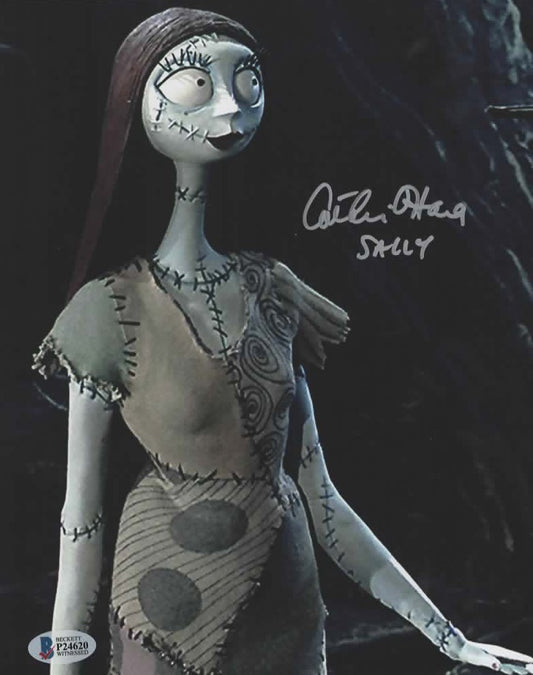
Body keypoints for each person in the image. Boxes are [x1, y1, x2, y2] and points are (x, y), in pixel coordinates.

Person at [33, 7, 533, 675]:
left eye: (247, 80)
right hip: (166, 617)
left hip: (289, 617)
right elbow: (81, 524)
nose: (229, 105)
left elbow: (323, 501)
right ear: (136, 101)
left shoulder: (274, 292)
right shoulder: (108, 311)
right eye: (196, 82)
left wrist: (450, 638)